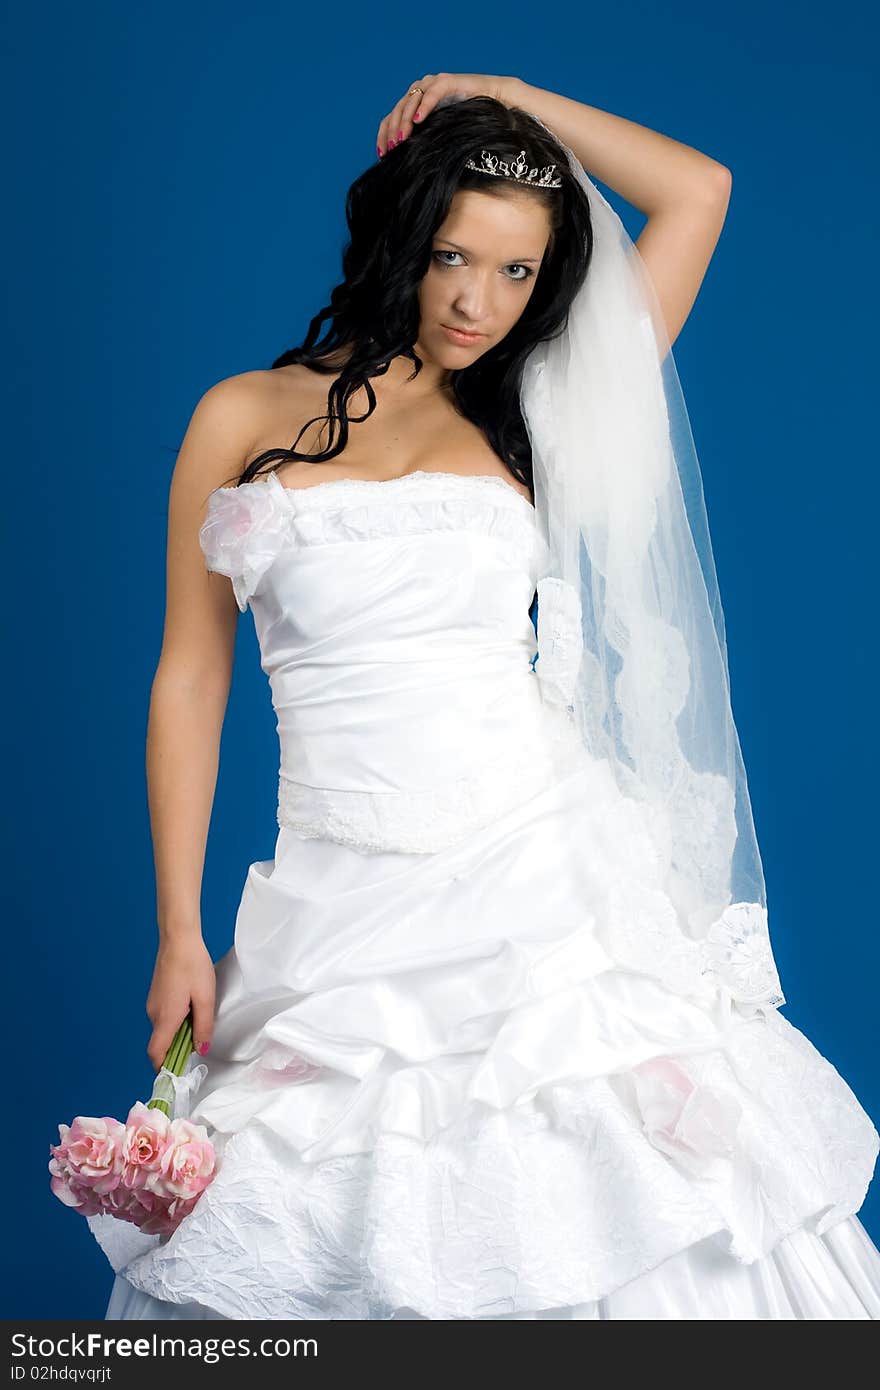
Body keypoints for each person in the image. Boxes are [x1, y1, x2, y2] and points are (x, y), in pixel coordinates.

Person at [86, 74, 880, 1320]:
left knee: (607, 1192)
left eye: (517, 272)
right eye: (454, 254)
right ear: (403, 233)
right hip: (332, 903)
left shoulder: (535, 411)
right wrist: (179, 929)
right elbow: (191, 676)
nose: (477, 300)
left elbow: (698, 192)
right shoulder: (241, 415)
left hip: (537, 873)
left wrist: (504, 99)